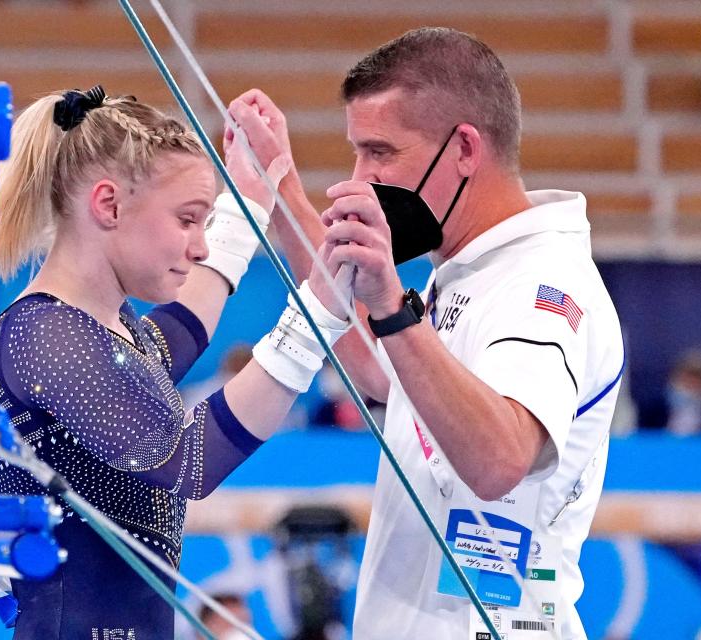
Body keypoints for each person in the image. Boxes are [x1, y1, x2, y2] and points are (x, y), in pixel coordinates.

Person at [228, 27, 624, 639]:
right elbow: (381, 372)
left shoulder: (543, 285)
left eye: (381, 152)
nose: (359, 178)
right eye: (357, 152)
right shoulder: (467, 269)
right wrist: (279, 186)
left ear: (465, 149)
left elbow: (498, 461)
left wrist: (392, 307)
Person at [0, 85, 351, 639]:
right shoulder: (46, 335)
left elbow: (174, 337)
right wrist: (313, 317)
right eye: (187, 219)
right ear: (108, 205)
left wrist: (249, 200)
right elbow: (187, 462)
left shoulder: (105, 330)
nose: (201, 246)